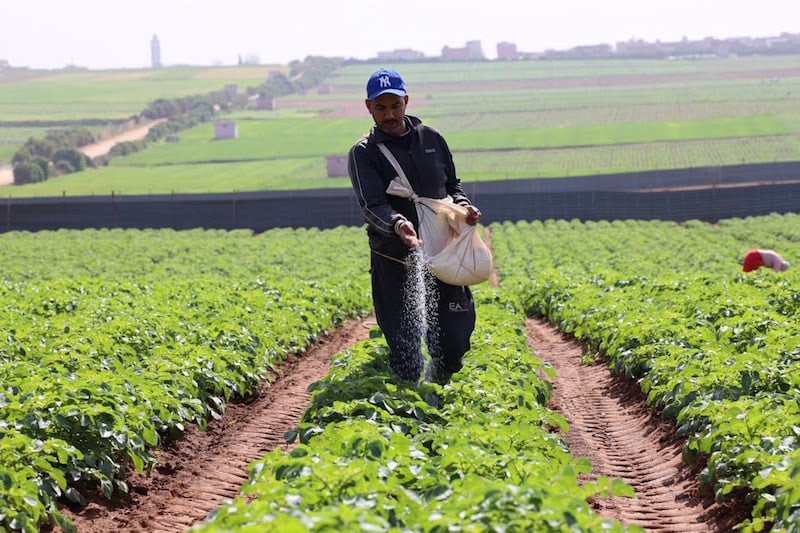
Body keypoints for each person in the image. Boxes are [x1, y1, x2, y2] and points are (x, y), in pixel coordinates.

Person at [348, 68, 482, 386]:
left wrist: (463, 209)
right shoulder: (364, 153)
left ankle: (438, 382)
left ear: (406, 101)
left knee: (455, 339)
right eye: (381, 108)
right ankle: (410, 408)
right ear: (369, 107)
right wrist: (399, 225)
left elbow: (452, 186)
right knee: (405, 348)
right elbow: (372, 205)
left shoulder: (431, 140)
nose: (389, 114)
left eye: (395, 105)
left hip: (442, 256)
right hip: (395, 262)